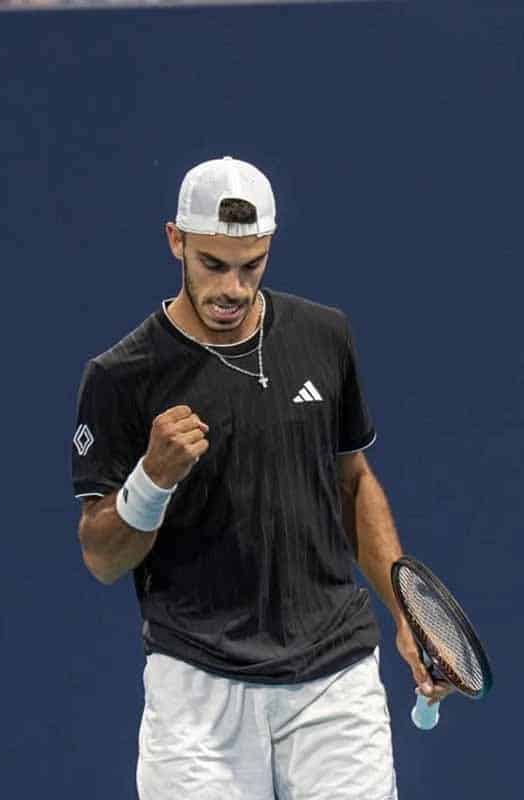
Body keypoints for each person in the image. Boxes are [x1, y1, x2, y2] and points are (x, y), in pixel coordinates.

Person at [71, 156, 452, 799]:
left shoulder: (324, 336)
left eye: (252, 266)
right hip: (197, 693)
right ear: (175, 241)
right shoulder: (120, 378)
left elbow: (352, 483)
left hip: (334, 678)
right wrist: (150, 480)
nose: (233, 288)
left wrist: (407, 610)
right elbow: (102, 558)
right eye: (213, 265)